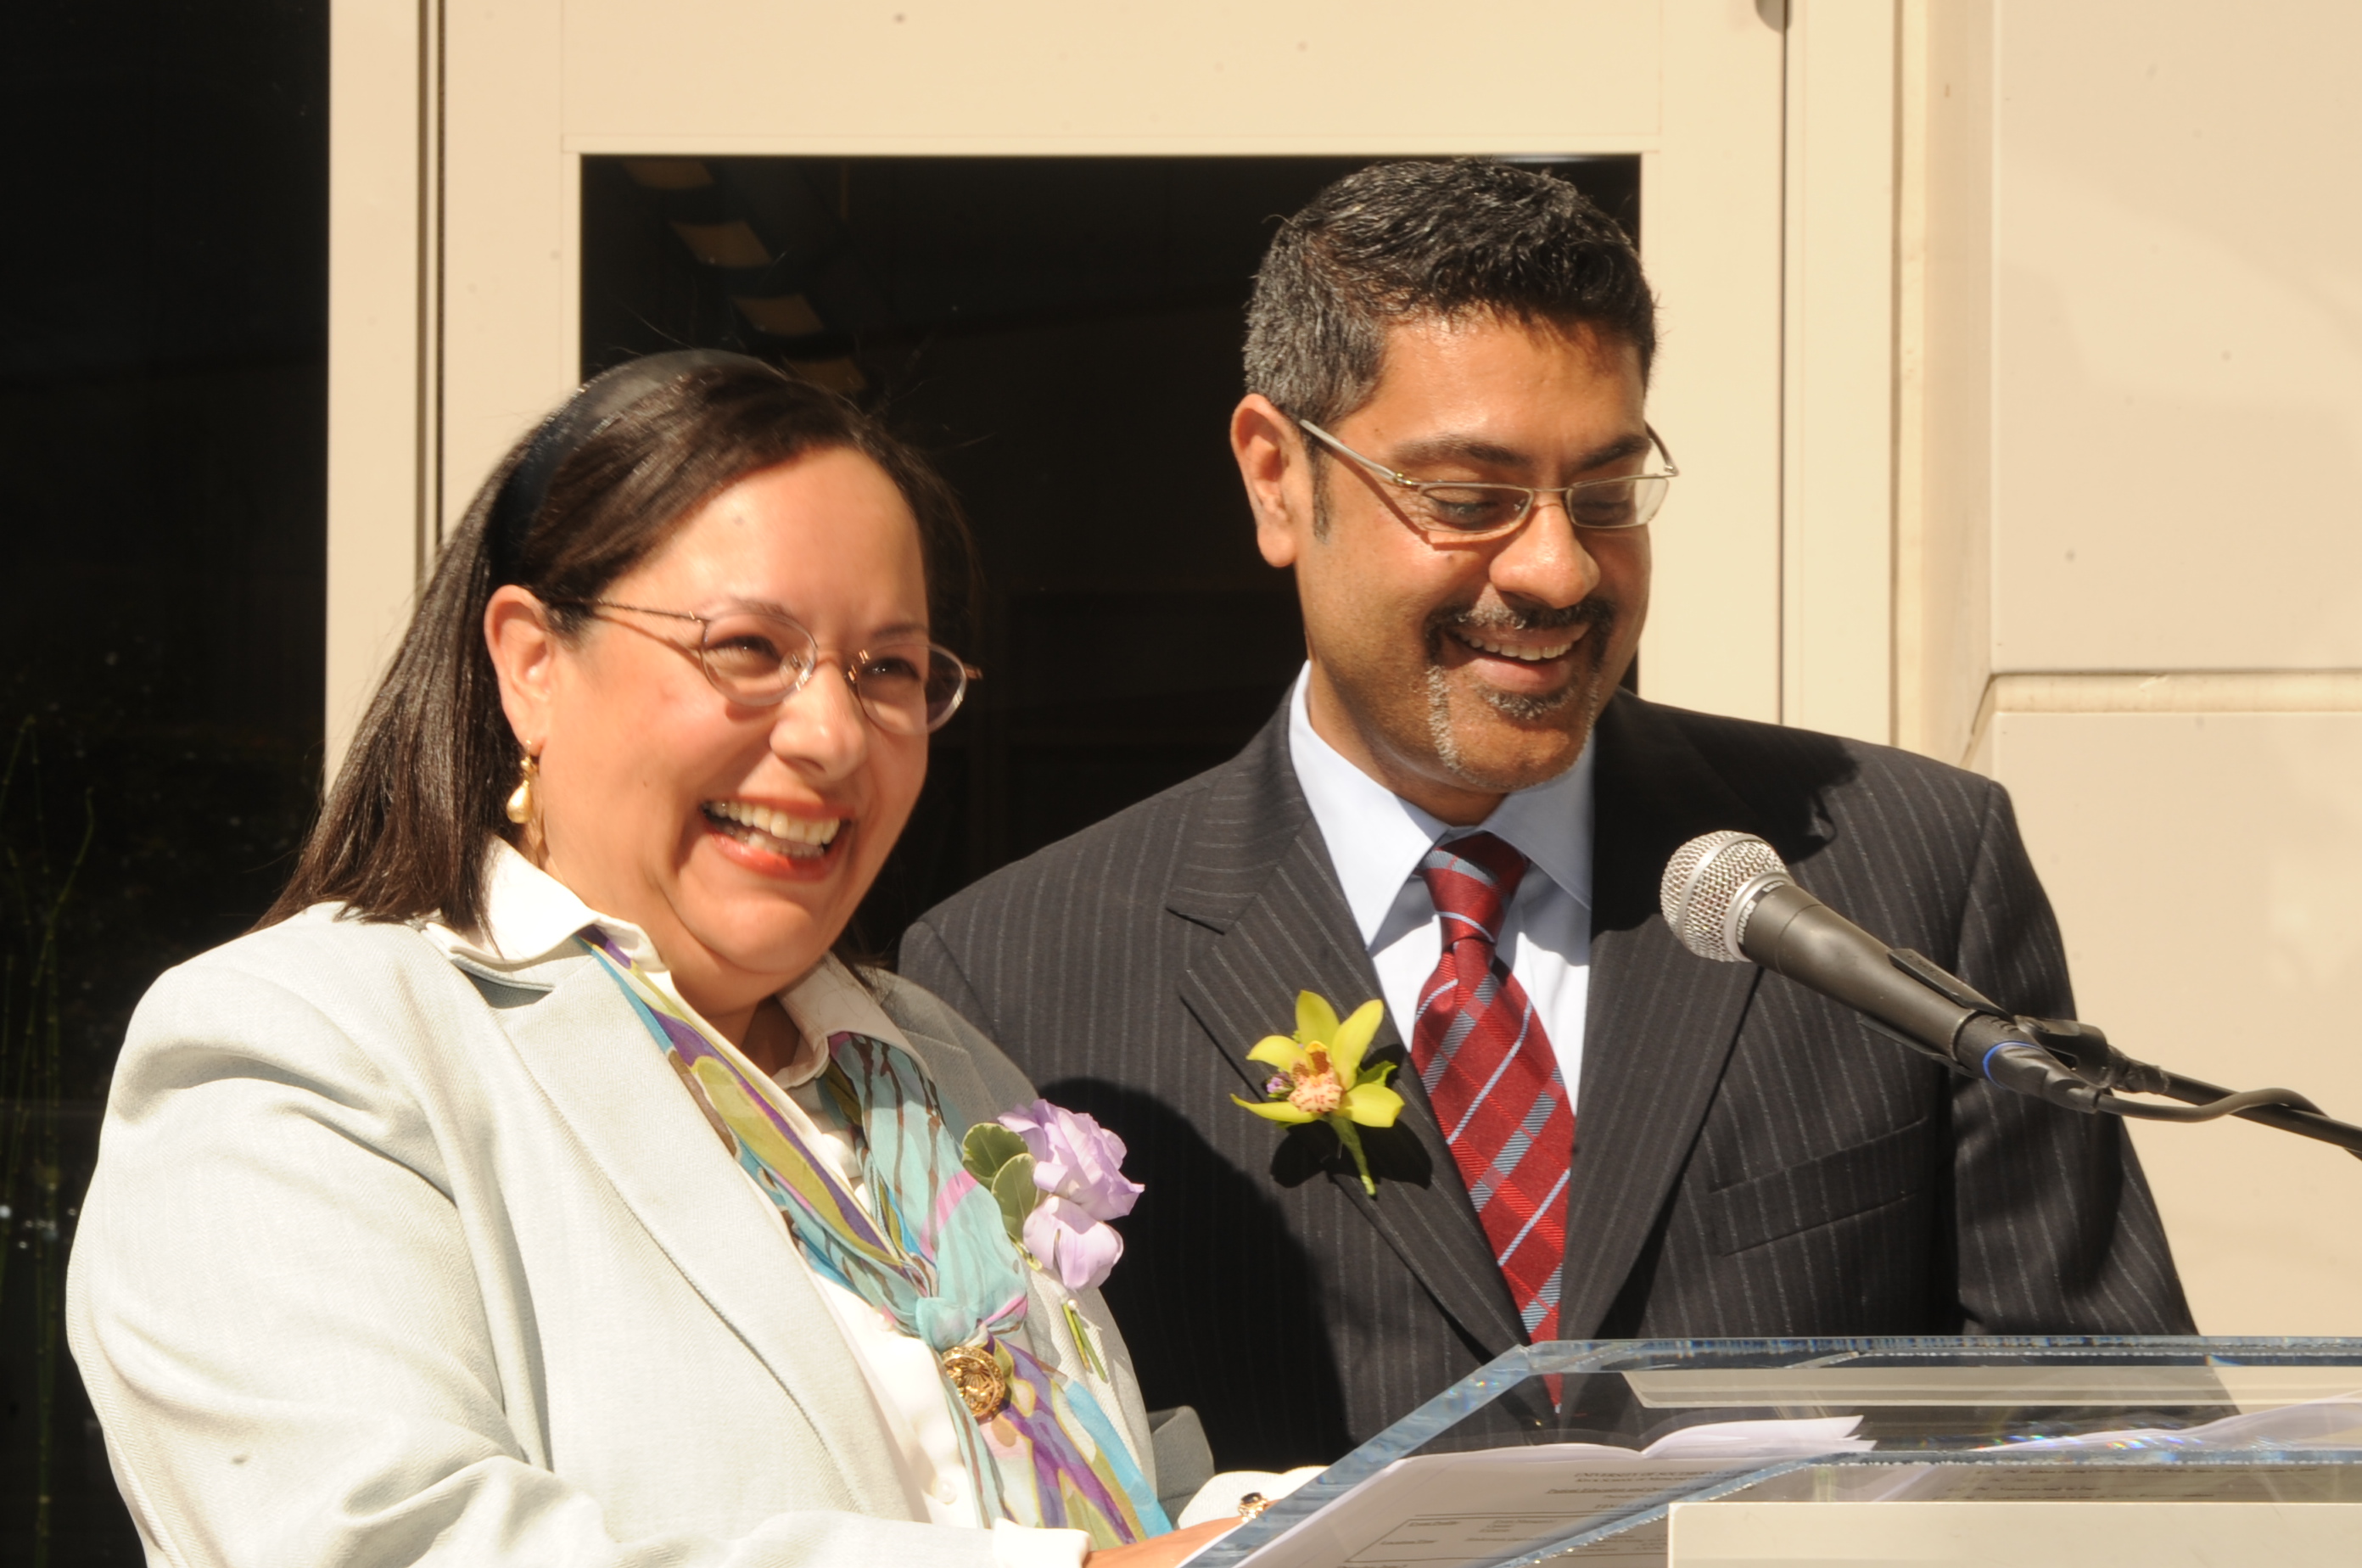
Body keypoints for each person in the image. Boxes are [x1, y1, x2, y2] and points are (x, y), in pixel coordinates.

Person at [898, 160, 2196, 1470]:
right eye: (1468, 501)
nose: (1559, 567)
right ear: (1277, 478)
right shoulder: (1017, 976)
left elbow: (2127, 1446)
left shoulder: (1906, 867)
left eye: (1607, 494)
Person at [67, 352, 1234, 1567]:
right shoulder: (304, 1046)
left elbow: (1083, 1471)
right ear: (530, 663)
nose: (833, 734)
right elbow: (378, 1544)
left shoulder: (932, 1060)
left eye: (887, 668)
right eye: (746, 647)